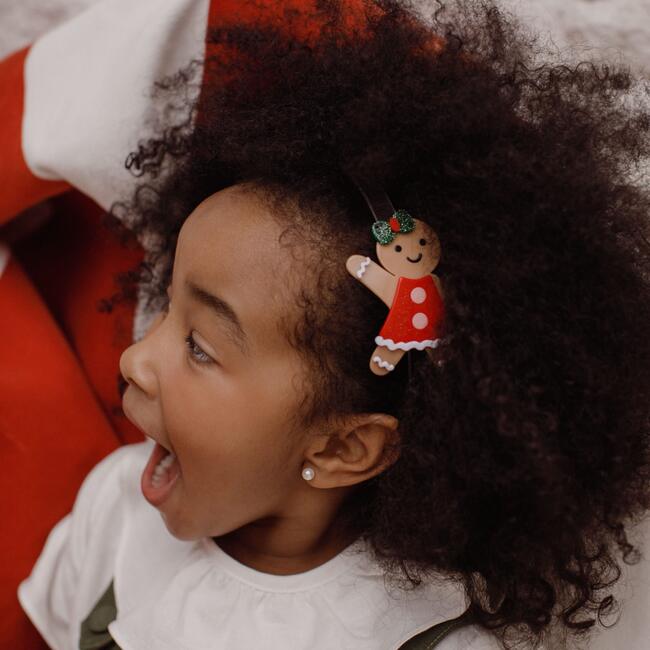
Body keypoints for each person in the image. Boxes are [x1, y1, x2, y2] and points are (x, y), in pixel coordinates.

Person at [16, 0, 650, 648]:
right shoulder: (117, 511)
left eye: (199, 348)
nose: (133, 360)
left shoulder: (416, 638)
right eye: (164, 301)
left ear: (340, 448)